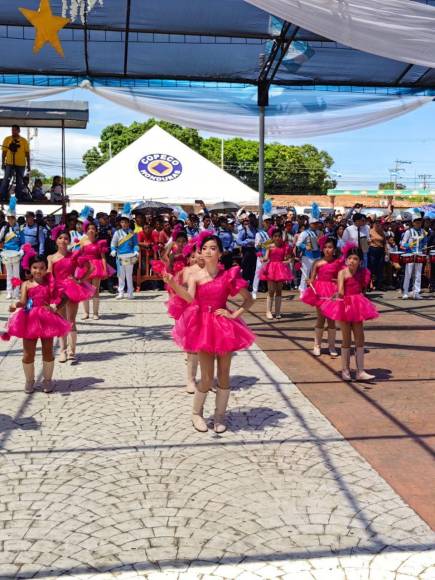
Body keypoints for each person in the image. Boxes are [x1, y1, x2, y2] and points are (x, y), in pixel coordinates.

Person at [164, 235, 255, 433]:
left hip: (223, 327)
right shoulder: (195, 276)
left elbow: (249, 299)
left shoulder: (228, 276)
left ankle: (220, 416)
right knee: (206, 377)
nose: (207, 251)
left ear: (220, 253)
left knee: (224, 375)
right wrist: (173, 284)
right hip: (203, 327)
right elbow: (189, 298)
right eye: (204, 248)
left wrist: (233, 314)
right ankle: (196, 413)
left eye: (213, 248)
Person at [1, 255, 71, 393]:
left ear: (46, 269)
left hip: (47, 319)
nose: (38, 271)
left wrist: (55, 307)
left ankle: (47, 380)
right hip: (29, 319)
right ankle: (29, 380)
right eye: (35, 268)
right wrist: (15, 305)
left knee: (47, 350)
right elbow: (22, 301)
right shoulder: (26, 284)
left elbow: (65, 297)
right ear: (30, 268)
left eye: (41, 268)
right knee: (28, 353)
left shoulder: (50, 283)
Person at [320, 247, 379, 381]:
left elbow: (362, 288)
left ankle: (360, 371)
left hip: (357, 305)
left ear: (360, 261)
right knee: (346, 338)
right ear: (346, 260)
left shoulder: (363, 273)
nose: (352, 261)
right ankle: (345, 370)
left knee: (360, 337)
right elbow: (341, 290)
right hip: (345, 305)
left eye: (356, 259)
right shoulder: (342, 273)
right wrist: (336, 294)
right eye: (350, 258)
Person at [48, 226, 95, 362]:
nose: (63, 240)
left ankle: (71, 350)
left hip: (72, 289)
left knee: (71, 320)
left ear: (69, 241)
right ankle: (62, 350)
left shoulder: (74, 255)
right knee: (61, 321)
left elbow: (90, 267)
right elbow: (50, 275)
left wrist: (80, 279)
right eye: (60, 238)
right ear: (56, 240)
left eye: (66, 238)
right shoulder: (51, 257)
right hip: (58, 290)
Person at [301, 237, 342, 357]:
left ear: (334, 249)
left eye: (330, 247)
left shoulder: (338, 263)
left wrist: (334, 280)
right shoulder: (317, 262)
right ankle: (317, 345)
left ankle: (331, 346)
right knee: (320, 318)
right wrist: (310, 281)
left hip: (333, 292)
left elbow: (341, 277)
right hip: (320, 291)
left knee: (331, 320)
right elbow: (313, 278)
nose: (327, 250)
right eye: (325, 247)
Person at [80, 222, 115, 320]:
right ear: (86, 231)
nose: (91, 230)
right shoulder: (82, 242)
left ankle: (95, 313)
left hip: (96, 266)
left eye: (93, 229)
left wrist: (105, 270)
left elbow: (103, 257)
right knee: (85, 290)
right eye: (89, 229)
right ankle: (86, 313)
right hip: (86, 266)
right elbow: (81, 255)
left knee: (95, 290)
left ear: (96, 231)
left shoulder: (100, 243)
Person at [260, 228, 293, 320]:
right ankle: (268, 311)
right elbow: (266, 257)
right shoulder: (270, 246)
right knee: (271, 290)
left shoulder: (284, 247)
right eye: (275, 236)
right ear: (272, 237)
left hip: (280, 269)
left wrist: (288, 261)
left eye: (279, 236)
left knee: (279, 290)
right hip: (271, 268)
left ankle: (277, 311)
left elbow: (287, 258)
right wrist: (263, 259)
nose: (277, 238)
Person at [110, 205, 139, 300]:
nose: (124, 224)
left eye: (125, 222)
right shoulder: (117, 233)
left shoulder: (132, 233)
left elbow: (135, 244)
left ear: (129, 223)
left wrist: (136, 251)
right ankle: (121, 292)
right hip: (120, 256)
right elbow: (113, 244)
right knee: (121, 275)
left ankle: (130, 292)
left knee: (129, 275)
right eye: (122, 222)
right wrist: (113, 250)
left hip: (130, 256)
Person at [0, 125, 30, 203]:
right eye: (12, 130)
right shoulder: (7, 139)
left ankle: (18, 198)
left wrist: (29, 164)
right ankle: (2, 196)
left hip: (21, 164)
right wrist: (3, 163)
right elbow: (4, 152)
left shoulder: (23, 140)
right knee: (6, 179)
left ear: (19, 131)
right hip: (9, 163)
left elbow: (27, 153)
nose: (13, 132)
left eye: (15, 130)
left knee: (19, 181)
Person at [0, 197, 23, 299]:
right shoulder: (4, 228)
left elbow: (23, 241)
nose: (10, 220)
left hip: (16, 253)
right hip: (6, 253)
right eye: (9, 218)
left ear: (15, 218)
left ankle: (16, 292)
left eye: (12, 218)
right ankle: (9, 292)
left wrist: (21, 251)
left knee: (16, 274)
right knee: (9, 274)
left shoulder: (20, 228)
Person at [400, 216, 427, 300]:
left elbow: (425, 243)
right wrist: (409, 245)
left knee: (418, 274)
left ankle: (416, 292)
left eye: (420, 222)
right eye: (416, 222)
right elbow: (402, 243)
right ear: (413, 223)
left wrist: (425, 247)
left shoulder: (423, 232)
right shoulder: (408, 232)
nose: (418, 223)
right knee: (408, 274)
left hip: (419, 254)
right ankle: (405, 292)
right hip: (410, 254)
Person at [296, 216, 321, 295]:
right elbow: (298, 244)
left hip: (317, 255)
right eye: (314, 224)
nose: (316, 225)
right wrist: (305, 246)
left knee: (317, 274)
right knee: (305, 274)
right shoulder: (304, 233)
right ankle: (302, 291)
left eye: (317, 224)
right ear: (310, 224)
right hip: (307, 256)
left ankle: (316, 290)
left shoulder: (318, 232)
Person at [251, 216, 271, 300]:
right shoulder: (259, 234)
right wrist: (260, 246)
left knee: (269, 274)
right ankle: (254, 291)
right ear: (263, 223)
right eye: (266, 222)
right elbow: (256, 246)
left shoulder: (269, 234)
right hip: (261, 256)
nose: (268, 224)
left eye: (269, 222)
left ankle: (270, 291)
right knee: (258, 274)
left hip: (268, 256)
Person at [236, 213, 258, 289]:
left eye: (249, 220)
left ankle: (251, 284)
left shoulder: (255, 229)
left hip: (254, 250)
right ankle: (244, 284)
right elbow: (238, 241)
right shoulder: (244, 230)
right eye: (248, 220)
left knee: (253, 268)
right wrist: (247, 242)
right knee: (246, 268)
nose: (249, 222)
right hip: (247, 251)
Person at [368, 219, 386, 290]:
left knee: (380, 268)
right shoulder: (370, 231)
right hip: (373, 249)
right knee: (372, 268)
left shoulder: (381, 231)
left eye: (379, 223)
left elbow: (385, 242)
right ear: (373, 224)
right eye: (376, 223)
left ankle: (379, 285)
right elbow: (368, 241)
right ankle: (370, 284)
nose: (377, 224)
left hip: (381, 250)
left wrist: (386, 252)